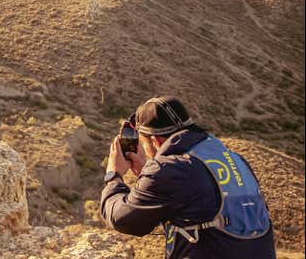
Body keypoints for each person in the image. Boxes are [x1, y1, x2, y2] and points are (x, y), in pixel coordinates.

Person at [101, 96, 275, 259]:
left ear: (156, 141)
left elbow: (122, 219)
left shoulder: (170, 170)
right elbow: (197, 198)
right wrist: (146, 173)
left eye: (144, 143)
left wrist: (113, 175)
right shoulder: (234, 159)